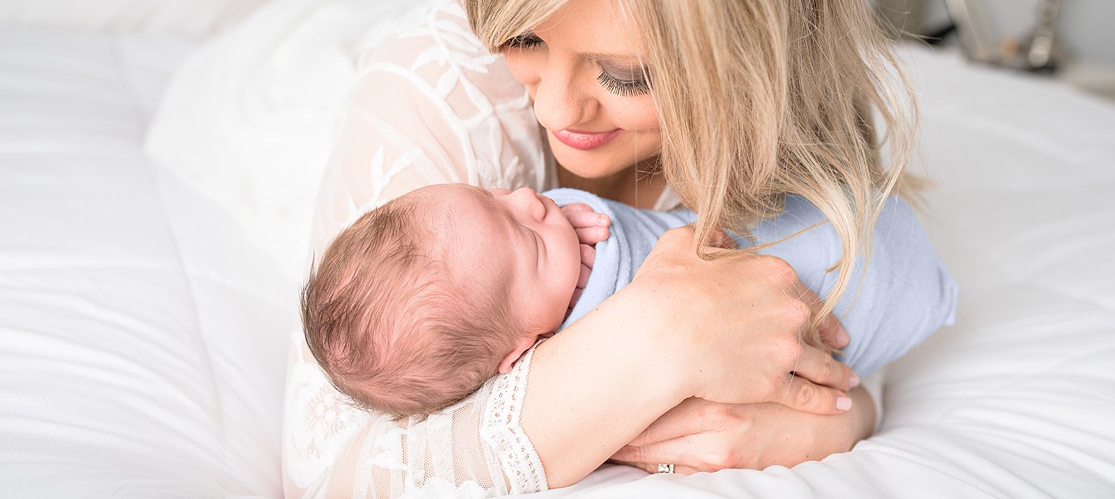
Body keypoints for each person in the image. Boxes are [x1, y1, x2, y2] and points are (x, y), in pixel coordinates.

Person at [281, 0, 930, 495]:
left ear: (759, 44)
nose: (555, 111)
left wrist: (844, 417)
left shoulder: (789, 101)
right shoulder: (437, 82)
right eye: (522, 37)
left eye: (626, 74)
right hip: (282, 64)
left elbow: (860, 305)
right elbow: (328, 467)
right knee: (277, 6)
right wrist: (659, 336)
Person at [301, 183, 955, 419]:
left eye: (494, 194)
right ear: (524, 350)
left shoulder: (536, 258)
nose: (532, 201)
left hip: (851, 218)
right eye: (527, 238)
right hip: (862, 305)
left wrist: (563, 232)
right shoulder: (581, 354)